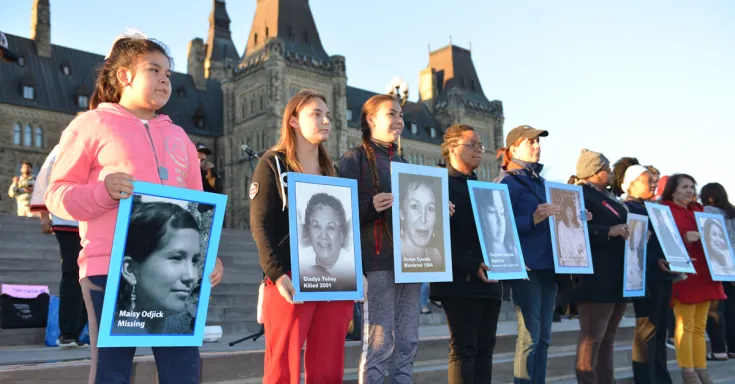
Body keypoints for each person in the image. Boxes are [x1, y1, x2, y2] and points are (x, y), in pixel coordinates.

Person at [44, 33, 224, 384]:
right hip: (109, 267)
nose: (164, 80)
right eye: (154, 70)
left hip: (174, 274)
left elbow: (199, 209)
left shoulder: (181, 139)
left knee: (183, 370)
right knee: (112, 370)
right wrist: (102, 192)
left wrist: (208, 254)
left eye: (168, 74)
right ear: (124, 75)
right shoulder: (90, 125)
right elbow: (57, 194)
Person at [250, 89, 356, 383]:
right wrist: (277, 274)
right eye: (316, 114)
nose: (326, 121)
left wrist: (355, 272)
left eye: (328, 116)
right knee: (282, 369)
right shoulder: (272, 163)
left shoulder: (332, 171)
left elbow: (344, 228)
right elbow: (260, 224)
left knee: (328, 370)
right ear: (293, 121)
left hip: (334, 282)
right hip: (290, 280)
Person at [338, 93, 416, 384]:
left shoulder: (406, 161)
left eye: (401, 115)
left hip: (411, 263)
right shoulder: (354, 158)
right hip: (378, 263)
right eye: (391, 114)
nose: (399, 120)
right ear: (370, 119)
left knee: (407, 341)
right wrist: (371, 206)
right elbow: (341, 214)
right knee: (380, 345)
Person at [431, 124, 503, 384]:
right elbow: (435, 239)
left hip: (490, 280)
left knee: (486, 350)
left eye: (480, 146)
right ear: (451, 148)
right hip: (460, 280)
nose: (478, 151)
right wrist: (471, 264)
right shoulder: (438, 185)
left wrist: (512, 259)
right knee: (464, 349)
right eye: (471, 144)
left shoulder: (484, 189)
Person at [495, 125, 560, 384]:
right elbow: (497, 223)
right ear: (513, 148)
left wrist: (577, 220)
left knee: (544, 338)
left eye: (538, 142)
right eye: (530, 142)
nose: (537, 146)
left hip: (549, 266)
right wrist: (531, 219)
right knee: (530, 337)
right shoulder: (507, 182)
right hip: (526, 267)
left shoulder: (543, 183)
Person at [567, 149, 629, 384]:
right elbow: (572, 229)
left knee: (607, 339)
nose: (611, 172)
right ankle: (587, 380)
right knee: (592, 337)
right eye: (606, 168)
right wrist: (606, 232)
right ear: (593, 172)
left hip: (616, 277)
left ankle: (606, 380)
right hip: (596, 277)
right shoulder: (579, 194)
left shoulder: (610, 197)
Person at [612, 158, 676, 384]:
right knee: (646, 329)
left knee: (659, 330)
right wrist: (654, 260)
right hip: (644, 275)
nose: (652, 185)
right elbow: (634, 245)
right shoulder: (627, 208)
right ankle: (645, 378)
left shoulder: (655, 208)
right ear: (631, 184)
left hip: (662, 274)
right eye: (647, 181)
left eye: (652, 181)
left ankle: (661, 377)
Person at [660, 174, 726, 384]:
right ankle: (688, 372)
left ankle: (701, 370)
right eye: (685, 187)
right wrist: (684, 239)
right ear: (673, 190)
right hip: (685, 274)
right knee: (685, 325)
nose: (690, 190)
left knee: (699, 327)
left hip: (706, 274)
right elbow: (663, 242)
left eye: (692, 186)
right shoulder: (665, 211)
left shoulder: (700, 211)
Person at [114, 201, 202, 335]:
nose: (191, 276)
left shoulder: (179, 332)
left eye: (194, 260)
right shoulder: (118, 335)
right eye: (176, 258)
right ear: (130, 269)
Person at [30, 146, 88, 349]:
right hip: (68, 219)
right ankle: (68, 333)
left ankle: (79, 332)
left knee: (92, 275)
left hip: (97, 220)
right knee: (73, 272)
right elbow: (45, 176)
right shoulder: (66, 144)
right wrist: (44, 214)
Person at [701, 182, 735, 360]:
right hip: (733, 266)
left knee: (715, 310)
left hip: (717, 264)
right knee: (732, 309)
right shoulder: (732, 212)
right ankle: (733, 348)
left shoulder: (706, 212)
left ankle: (719, 349)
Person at [298, 192, 356, 291]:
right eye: (317, 226)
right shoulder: (300, 262)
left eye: (330, 227)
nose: (324, 236)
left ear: (341, 235)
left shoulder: (352, 269)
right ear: (309, 232)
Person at [398, 174, 444, 273]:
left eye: (430, 208)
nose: (423, 219)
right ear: (401, 213)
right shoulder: (391, 256)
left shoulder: (436, 256)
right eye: (415, 207)